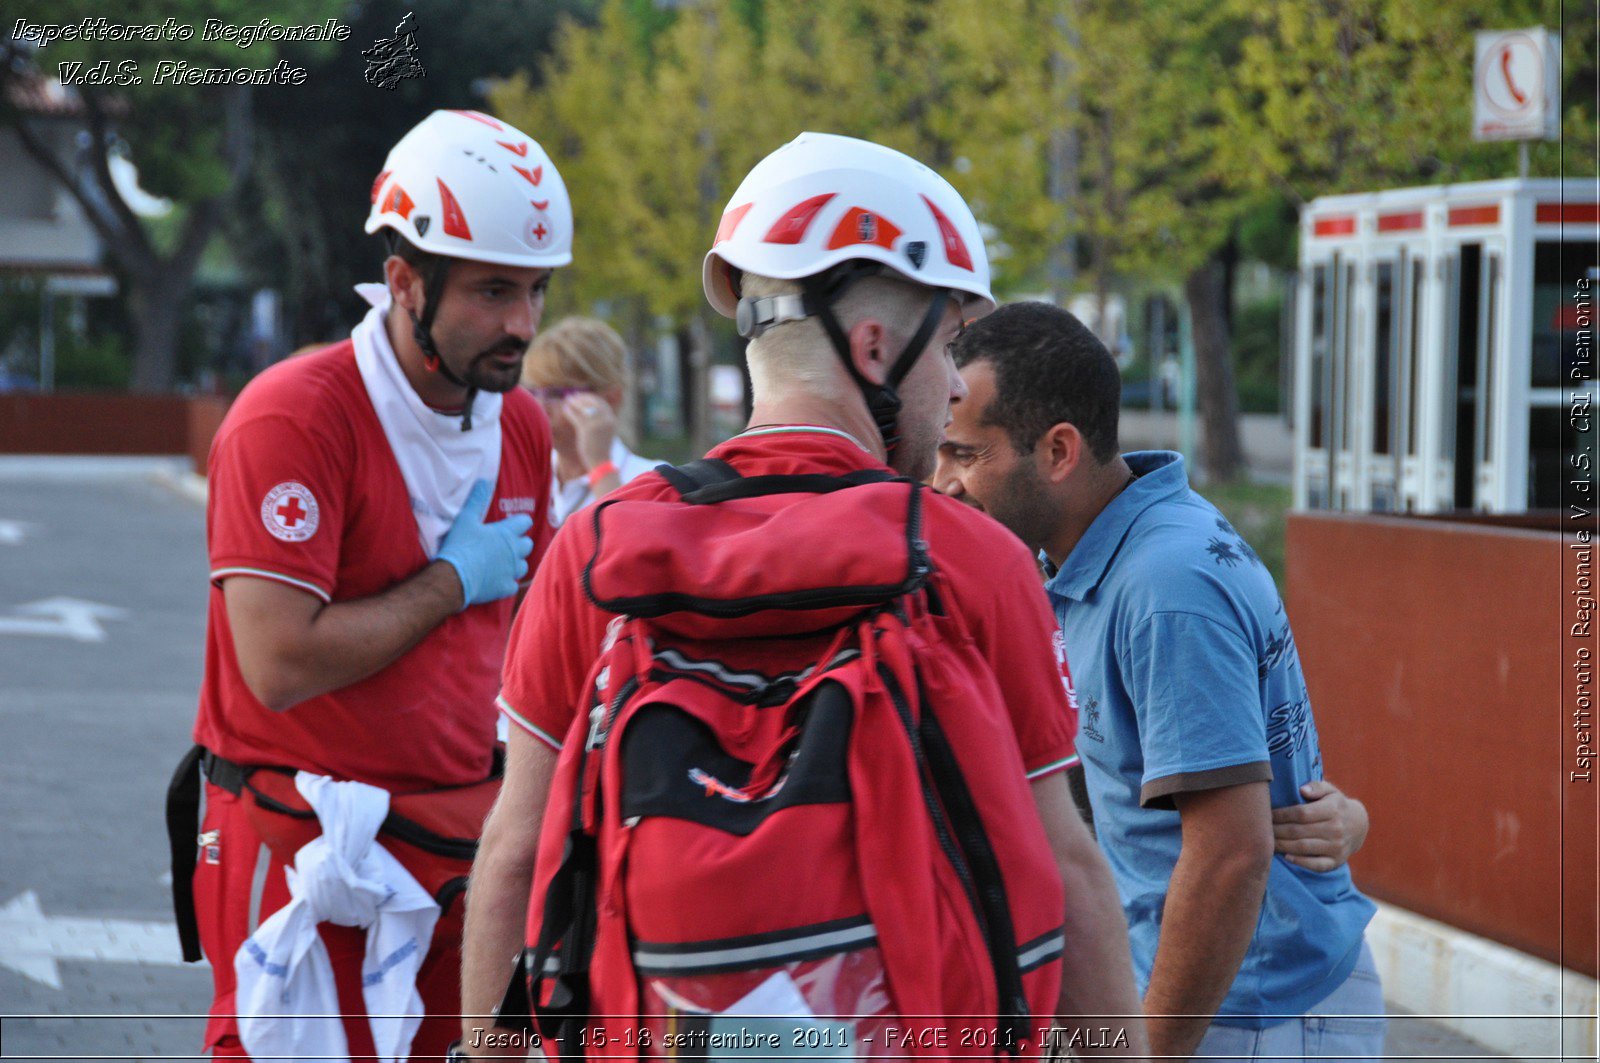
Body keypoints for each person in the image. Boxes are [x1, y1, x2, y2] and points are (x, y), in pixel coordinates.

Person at [462, 133, 1149, 1059]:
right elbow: (1070, 870)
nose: (951, 387)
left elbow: (513, 854)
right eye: (946, 348)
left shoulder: (597, 550)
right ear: (872, 345)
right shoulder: (971, 563)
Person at [177, 108, 572, 1060]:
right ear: (404, 280)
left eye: (535, 290)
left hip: (463, 849)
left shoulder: (519, 424)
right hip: (303, 844)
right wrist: (449, 583)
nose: (522, 323)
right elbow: (277, 662)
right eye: (491, 291)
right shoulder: (295, 417)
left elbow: (536, 646)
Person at [932, 301, 1382, 1062]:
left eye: (966, 455)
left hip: (1249, 1016)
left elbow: (1229, 853)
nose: (943, 483)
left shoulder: (1164, 586)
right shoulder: (1090, 552)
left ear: (1059, 450)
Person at [519, 317, 658, 527]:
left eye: (557, 393)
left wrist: (599, 464)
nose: (539, 407)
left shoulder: (652, 480)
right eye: (531, 392)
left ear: (611, 398)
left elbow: (629, 550)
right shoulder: (527, 473)